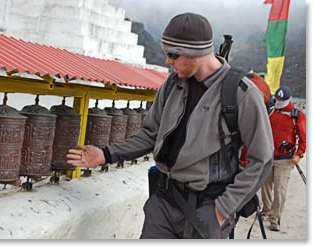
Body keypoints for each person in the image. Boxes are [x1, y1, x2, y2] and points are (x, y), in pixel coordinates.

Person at [67, 12, 274, 239]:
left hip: (207, 210)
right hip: (164, 202)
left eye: (173, 55)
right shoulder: (172, 85)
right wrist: (106, 155)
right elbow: (150, 135)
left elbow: (262, 159)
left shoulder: (241, 93)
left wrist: (223, 209)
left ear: (197, 52)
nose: (168, 61)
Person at [261, 85, 306, 232]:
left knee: (280, 190)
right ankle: (266, 211)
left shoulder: (297, 115)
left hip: (285, 158)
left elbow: (305, 137)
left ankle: (274, 218)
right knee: (265, 186)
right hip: (268, 155)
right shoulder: (272, 110)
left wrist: (299, 154)